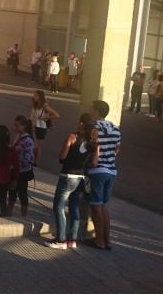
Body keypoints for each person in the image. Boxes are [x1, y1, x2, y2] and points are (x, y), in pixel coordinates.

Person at [48, 114, 99, 249]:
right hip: (81, 178)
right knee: (74, 207)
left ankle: (61, 239)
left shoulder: (72, 137)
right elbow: (94, 163)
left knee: (58, 207)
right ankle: (72, 239)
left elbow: (62, 156)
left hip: (67, 176)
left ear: (81, 124)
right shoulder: (94, 142)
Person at [86, 100, 121, 250]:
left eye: (91, 109)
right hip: (111, 171)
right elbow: (117, 150)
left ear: (97, 112)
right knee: (104, 206)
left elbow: (91, 148)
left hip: (97, 170)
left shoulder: (93, 129)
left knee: (96, 207)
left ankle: (99, 241)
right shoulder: (115, 128)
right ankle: (108, 240)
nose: (89, 111)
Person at [8, 115, 35, 217]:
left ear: (24, 126)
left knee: (22, 194)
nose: (14, 128)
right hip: (15, 170)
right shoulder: (18, 136)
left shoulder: (27, 140)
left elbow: (27, 159)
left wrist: (16, 164)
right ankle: (8, 213)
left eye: (16, 125)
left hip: (22, 172)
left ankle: (24, 215)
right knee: (12, 193)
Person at [30, 90, 59, 163]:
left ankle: (35, 161)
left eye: (36, 95)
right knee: (33, 144)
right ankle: (33, 160)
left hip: (40, 127)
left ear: (40, 97)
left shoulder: (44, 106)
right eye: (34, 95)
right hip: (33, 125)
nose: (34, 97)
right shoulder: (35, 104)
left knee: (37, 146)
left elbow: (56, 115)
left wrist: (45, 117)